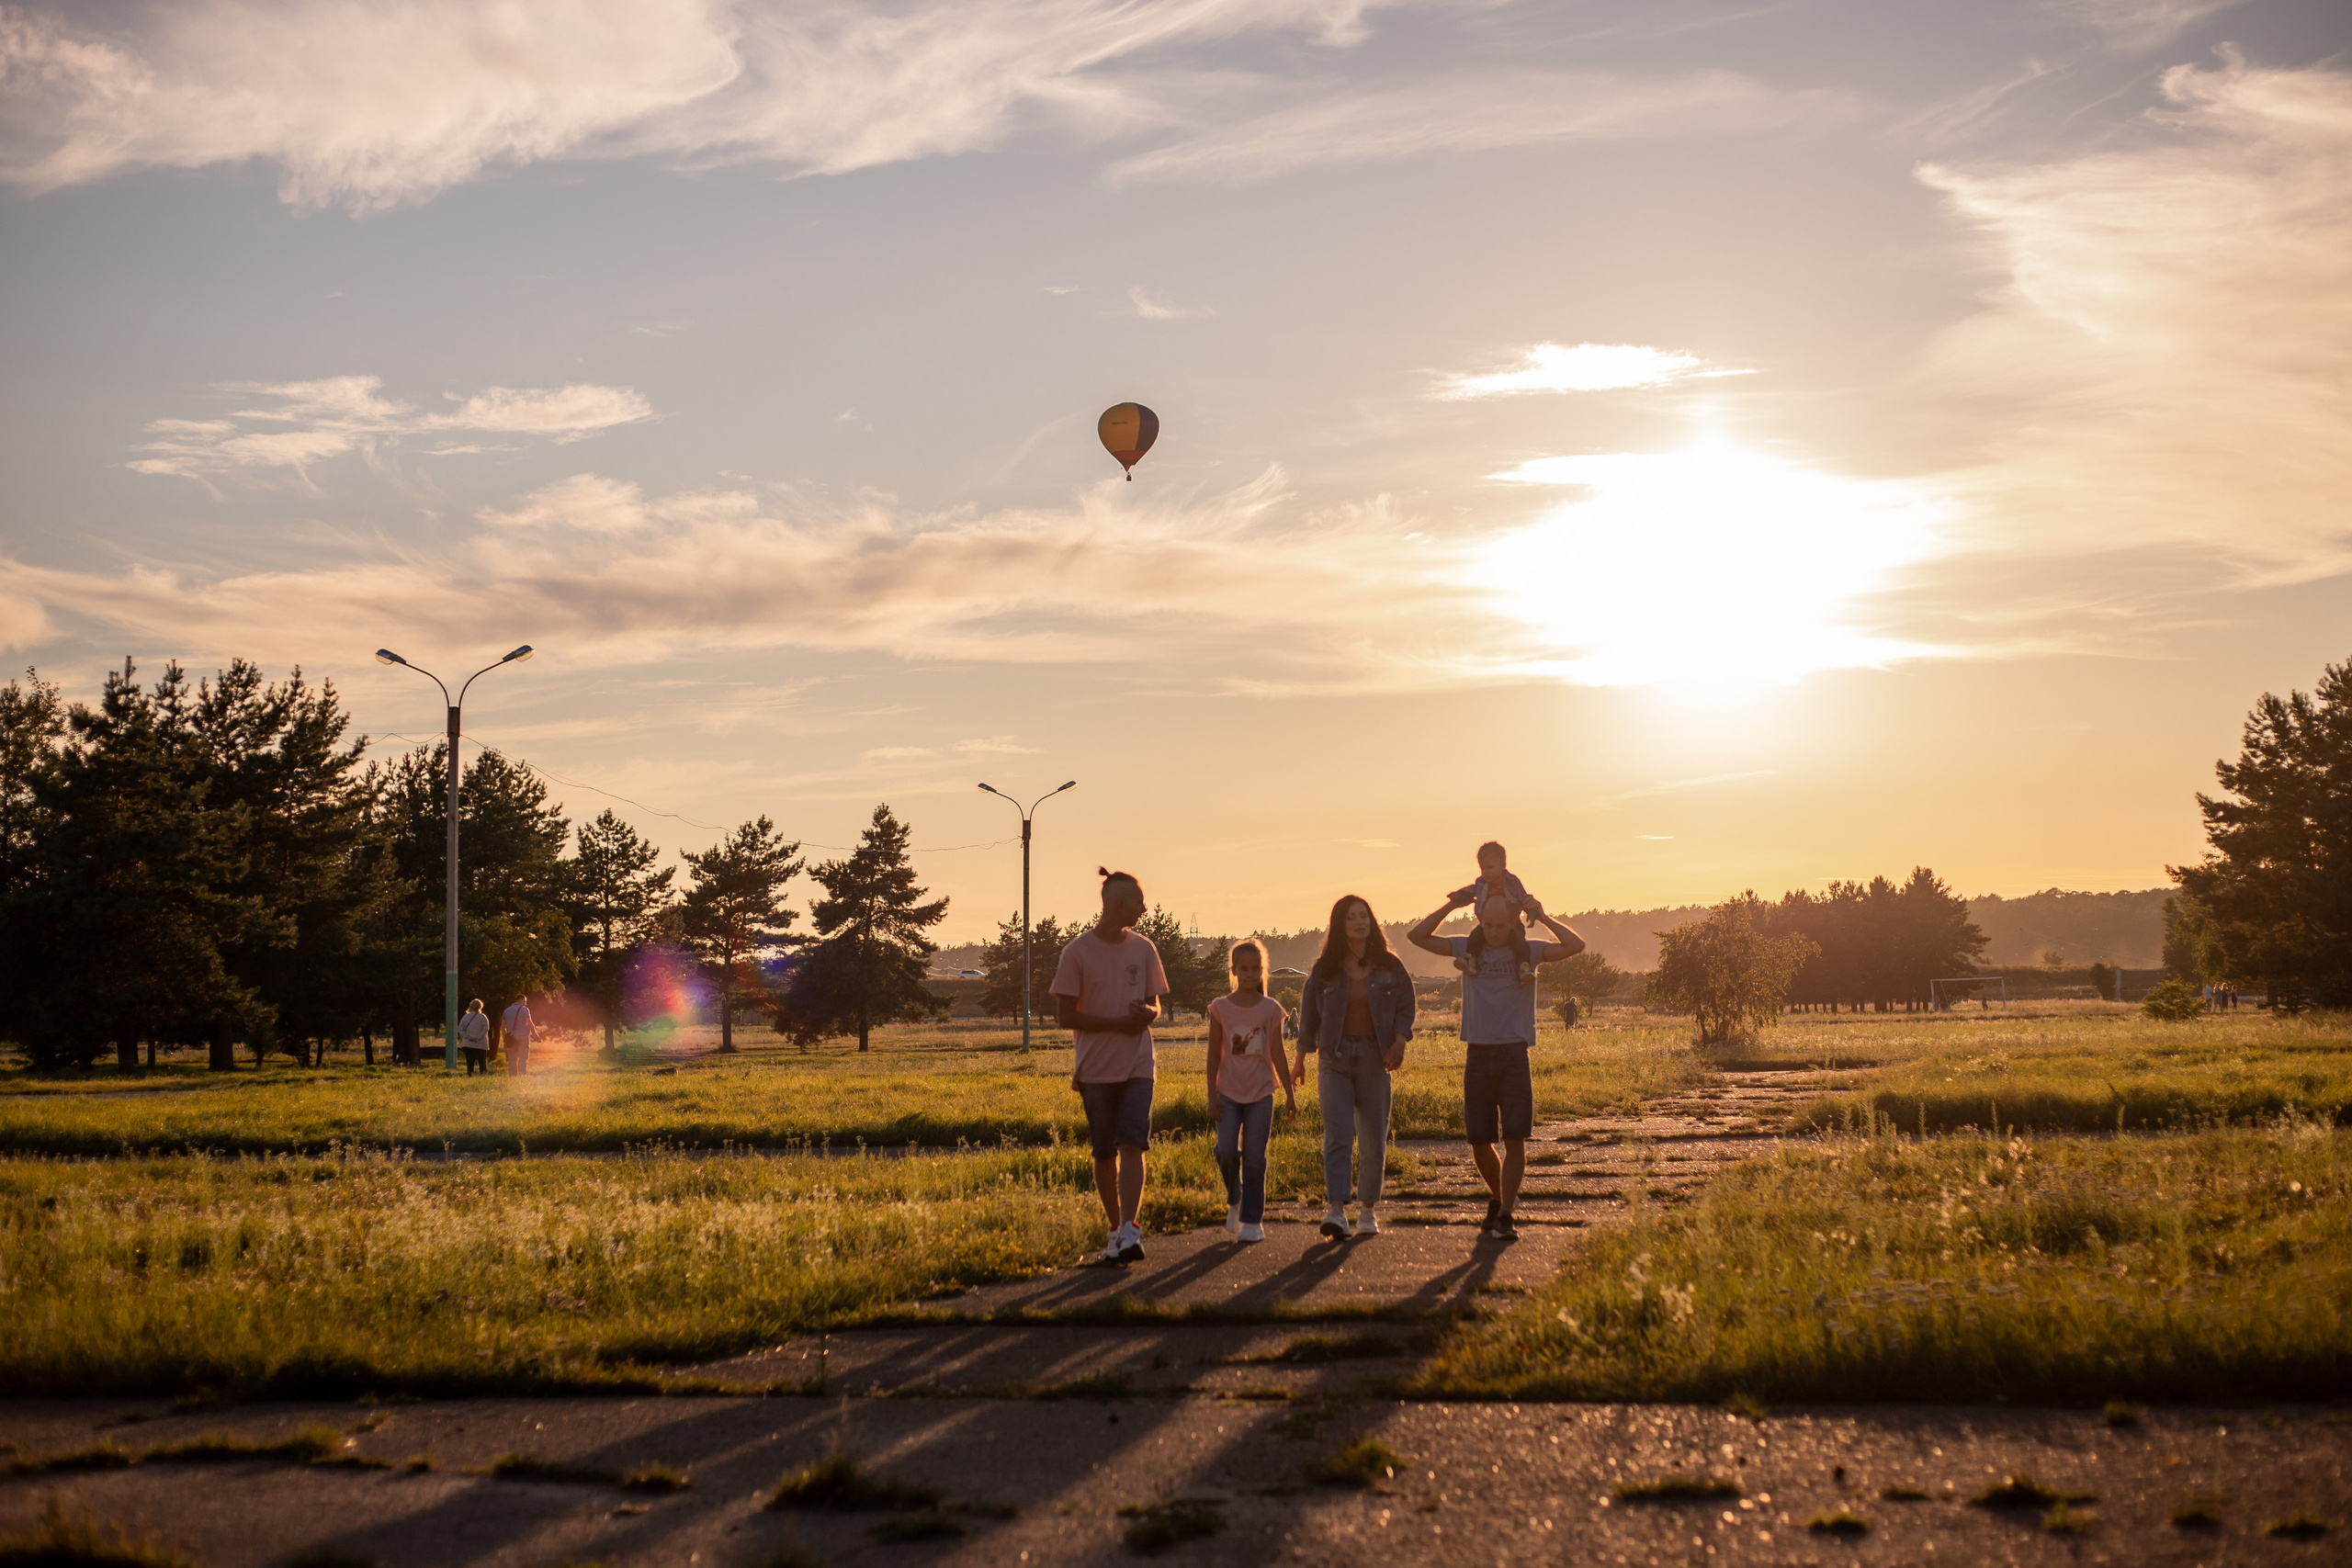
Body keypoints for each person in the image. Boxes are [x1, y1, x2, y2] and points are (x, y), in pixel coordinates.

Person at [1408, 887, 1586, 1240]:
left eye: (1500, 926)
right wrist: (1450, 905)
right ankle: (1498, 1198)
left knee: (1515, 1137)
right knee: (1479, 1139)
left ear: (1514, 923)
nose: (1493, 932)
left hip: (1514, 1052)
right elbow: (1417, 936)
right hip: (1478, 1051)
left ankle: (1505, 1213)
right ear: (1479, 920)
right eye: (1487, 924)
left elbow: (1574, 945)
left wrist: (1544, 916)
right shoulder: (1466, 948)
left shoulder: (1529, 952)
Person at [1051, 867, 1169, 1266]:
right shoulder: (1077, 953)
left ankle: (1131, 1229)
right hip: (1096, 1069)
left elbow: (1155, 1003)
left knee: (1133, 1142)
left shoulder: (1144, 949)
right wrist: (1118, 1024)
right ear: (1118, 904)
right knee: (1104, 1151)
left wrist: (1147, 1013)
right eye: (1138, 901)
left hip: (1138, 1063)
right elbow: (1065, 1016)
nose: (1144, 907)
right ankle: (1116, 1230)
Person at [1295, 895, 1417, 1240]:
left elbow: (1407, 1005)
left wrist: (1400, 1039)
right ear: (1340, 925)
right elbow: (1308, 1017)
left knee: (1374, 1137)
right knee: (1337, 1136)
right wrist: (1300, 1060)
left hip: (1375, 1059)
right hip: (1333, 1059)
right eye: (1352, 917)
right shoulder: (1325, 969)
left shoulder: (1390, 966)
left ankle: (1367, 1210)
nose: (1360, 922)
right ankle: (1336, 1209)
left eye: (1364, 915)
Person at [1206, 939, 1295, 1244]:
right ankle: (1235, 1195)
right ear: (1233, 971)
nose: (1249, 974)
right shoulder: (1220, 1008)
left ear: (1262, 971)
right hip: (1227, 1095)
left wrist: (1290, 1095)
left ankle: (1252, 1221)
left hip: (1261, 1094)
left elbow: (1278, 1054)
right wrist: (1210, 1096)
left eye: (1255, 968)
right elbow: (1213, 1056)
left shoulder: (1271, 1009)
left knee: (1255, 1158)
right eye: (1243, 968)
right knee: (1228, 1152)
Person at [1451, 840, 1534, 985]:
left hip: (1511, 923)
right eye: (1482, 868)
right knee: (1475, 937)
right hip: (1487, 923)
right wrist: (1457, 896)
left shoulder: (1512, 882)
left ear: (1503, 866)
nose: (1486, 872)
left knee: (1519, 941)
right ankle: (1470, 960)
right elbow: (1469, 891)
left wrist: (1532, 913)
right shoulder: (1481, 883)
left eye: (1490, 867)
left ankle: (1523, 967)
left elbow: (1524, 898)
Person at [500, 992, 537, 1077]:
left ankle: (512, 1076)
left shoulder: (506, 1011)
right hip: (523, 1035)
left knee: (512, 1059)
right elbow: (529, 1023)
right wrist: (535, 1034)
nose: (526, 1003)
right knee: (523, 1057)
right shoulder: (525, 1009)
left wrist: (505, 1039)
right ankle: (522, 1075)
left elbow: (502, 1027)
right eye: (525, 1001)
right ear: (520, 1000)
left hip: (510, 1037)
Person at [457, 998, 491, 1076]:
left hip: (468, 1044)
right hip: (481, 1044)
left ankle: (470, 1075)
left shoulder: (465, 1017)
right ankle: (483, 1076)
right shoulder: (483, 1017)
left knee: (470, 1063)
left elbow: (460, 1029)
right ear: (480, 1007)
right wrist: (478, 1037)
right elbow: (486, 1028)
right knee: (482, 1063)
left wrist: (467, 1037)